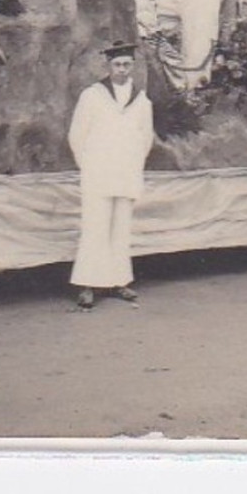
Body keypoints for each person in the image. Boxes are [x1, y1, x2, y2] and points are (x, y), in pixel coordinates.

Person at [67, 41, 155, 309]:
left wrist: (133, 163)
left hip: (126, 173)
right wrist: (89, 165)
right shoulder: (92, 95)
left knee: (121, 228)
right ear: (108, 65)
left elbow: (145, 137)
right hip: (98, 172)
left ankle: (120, 281)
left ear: (133, 66)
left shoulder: (141, 100)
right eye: (117, 64)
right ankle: (87, 284)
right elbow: (77, 135)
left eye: (127, 64)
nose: (122, 70)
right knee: (95, 226)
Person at [133, 0, 186, 92]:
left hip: (154, 34)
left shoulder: (153, 1)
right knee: (158, 59)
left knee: (174, 58)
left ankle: (180, 87)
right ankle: (176, 86)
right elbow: (140, 19)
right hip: (143, 35)